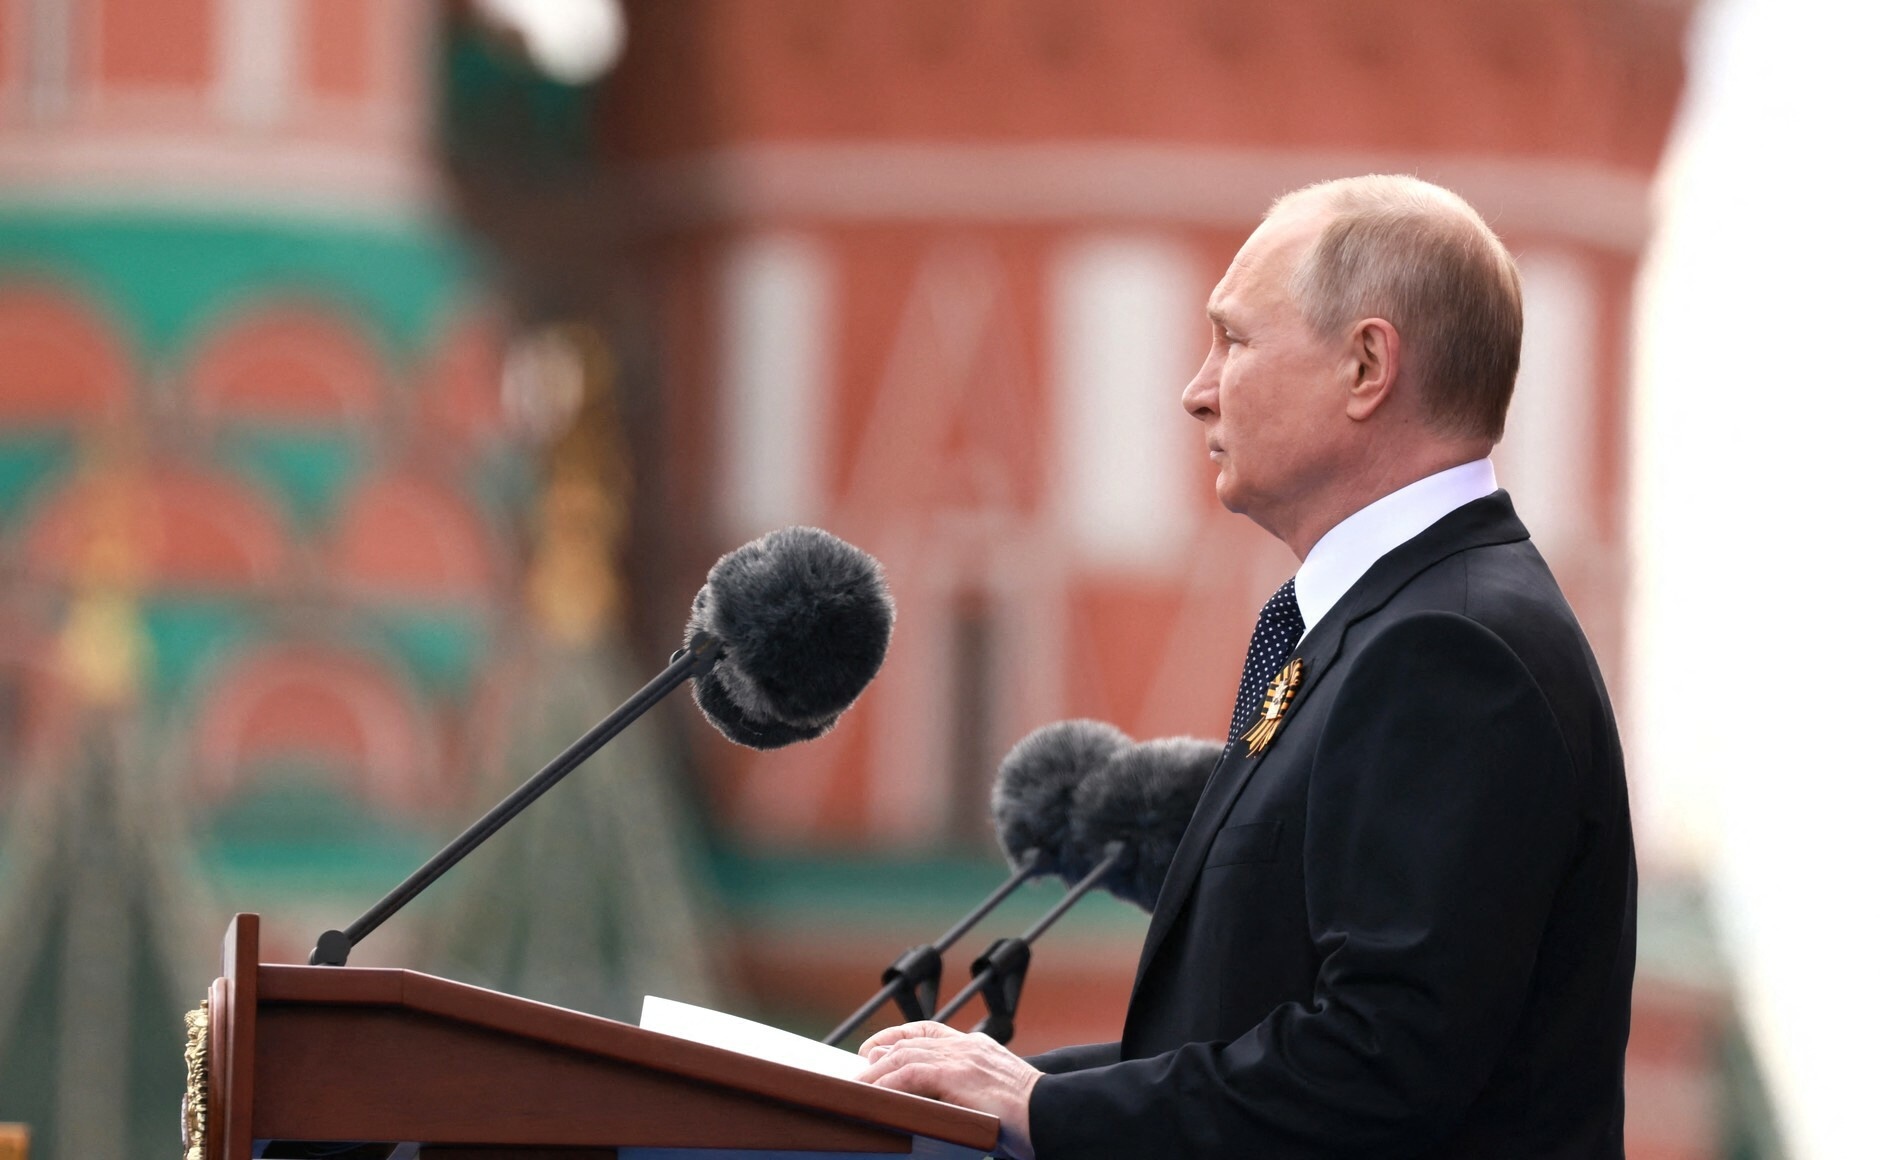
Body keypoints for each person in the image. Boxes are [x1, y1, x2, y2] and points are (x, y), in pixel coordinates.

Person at [857, 174, 1635, 1159]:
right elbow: (1242, 1032)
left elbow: (1375, 1067)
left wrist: (1041, 1108)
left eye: (1232, 338)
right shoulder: (1390, 621)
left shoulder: (1449, 648)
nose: (1195, 388)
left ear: (1364, 365)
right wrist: (1002, 1087)